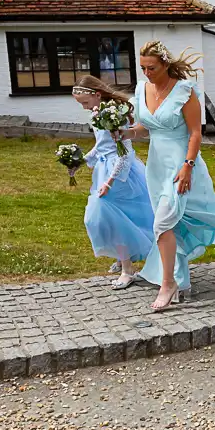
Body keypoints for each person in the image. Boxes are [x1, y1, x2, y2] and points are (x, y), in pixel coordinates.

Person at [118, 40, 215, 311]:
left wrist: (187, 165)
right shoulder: (141, 89)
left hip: (183, 164)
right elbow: (145, 127)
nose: (147, 73)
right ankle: (179, 279)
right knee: (172, 224)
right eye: (143, 67)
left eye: (152, 67)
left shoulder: (185, 91)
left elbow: (195, 133)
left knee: (163, 224)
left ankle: (168, 283)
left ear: (166, 64)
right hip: (157, 167)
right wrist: (125, 133)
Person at [72, 76, 154, 290]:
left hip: (119, 173)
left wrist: (110, 181)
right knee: (110, 217)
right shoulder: (98, 114)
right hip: (103, 169)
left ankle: (128, 270)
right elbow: (101, 146)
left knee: (112, 219)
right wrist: (81, 161)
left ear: (97, 95)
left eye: (85, 103)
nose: (84, 108)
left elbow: (125, 152)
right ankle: (123, 257)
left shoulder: (116, 116)